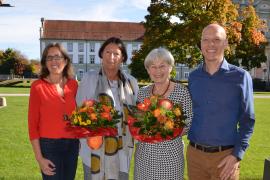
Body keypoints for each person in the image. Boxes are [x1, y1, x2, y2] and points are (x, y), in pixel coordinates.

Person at [187, 23, 255, 180]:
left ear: (225, 43)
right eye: (206, 40)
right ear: (201, 43)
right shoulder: (193, 77)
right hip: (195, 157)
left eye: (217, 39)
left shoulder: (241, 77)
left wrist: (236, 155)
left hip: (226, 158)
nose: (211, 44)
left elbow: (248, 121)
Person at [76, 37, 139, 180]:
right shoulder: (89, 78)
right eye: (107, 52)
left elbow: (135, 115)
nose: (111, 57)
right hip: (94, 148)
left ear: (122, 57)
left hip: (122, 150)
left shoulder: (131, 82)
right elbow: (79, 111)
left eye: (116, 53)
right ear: (101, 55)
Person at [134, 47, 193, 180]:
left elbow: (189, 123)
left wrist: (167, 128)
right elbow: (137, 122)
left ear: (170, 68)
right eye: (153, 67)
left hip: (170, 158)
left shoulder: (182, 92)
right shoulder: (142, 93)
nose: (158, 71)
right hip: (144, 157)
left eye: (162, 66)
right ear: (148, 70)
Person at [28, 43, 79, 180]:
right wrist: (39, 158)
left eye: (57, 57)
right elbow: (32, 125)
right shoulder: (37, 87)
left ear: (65, 60)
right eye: (49, 58)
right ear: (45, 62)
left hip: (72, 145)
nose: (53, 61)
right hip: (49, 146)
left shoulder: (73, 85)